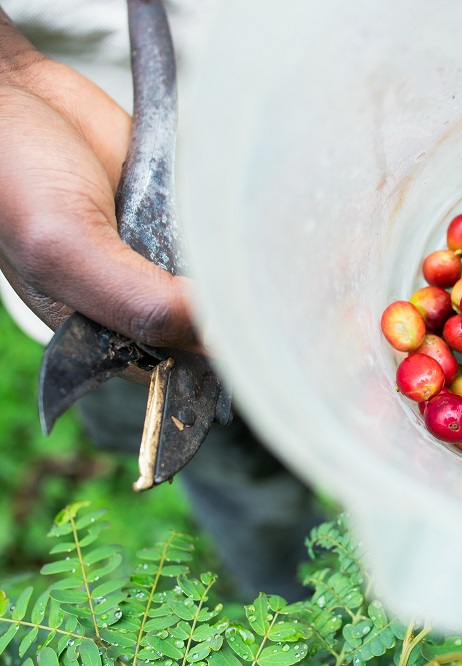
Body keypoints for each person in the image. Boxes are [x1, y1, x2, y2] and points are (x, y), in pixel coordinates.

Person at [0, 1, 321, 601]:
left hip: (326, 181)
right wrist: (10, 75)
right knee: (238, 479)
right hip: (90, 224)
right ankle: (296, 597)